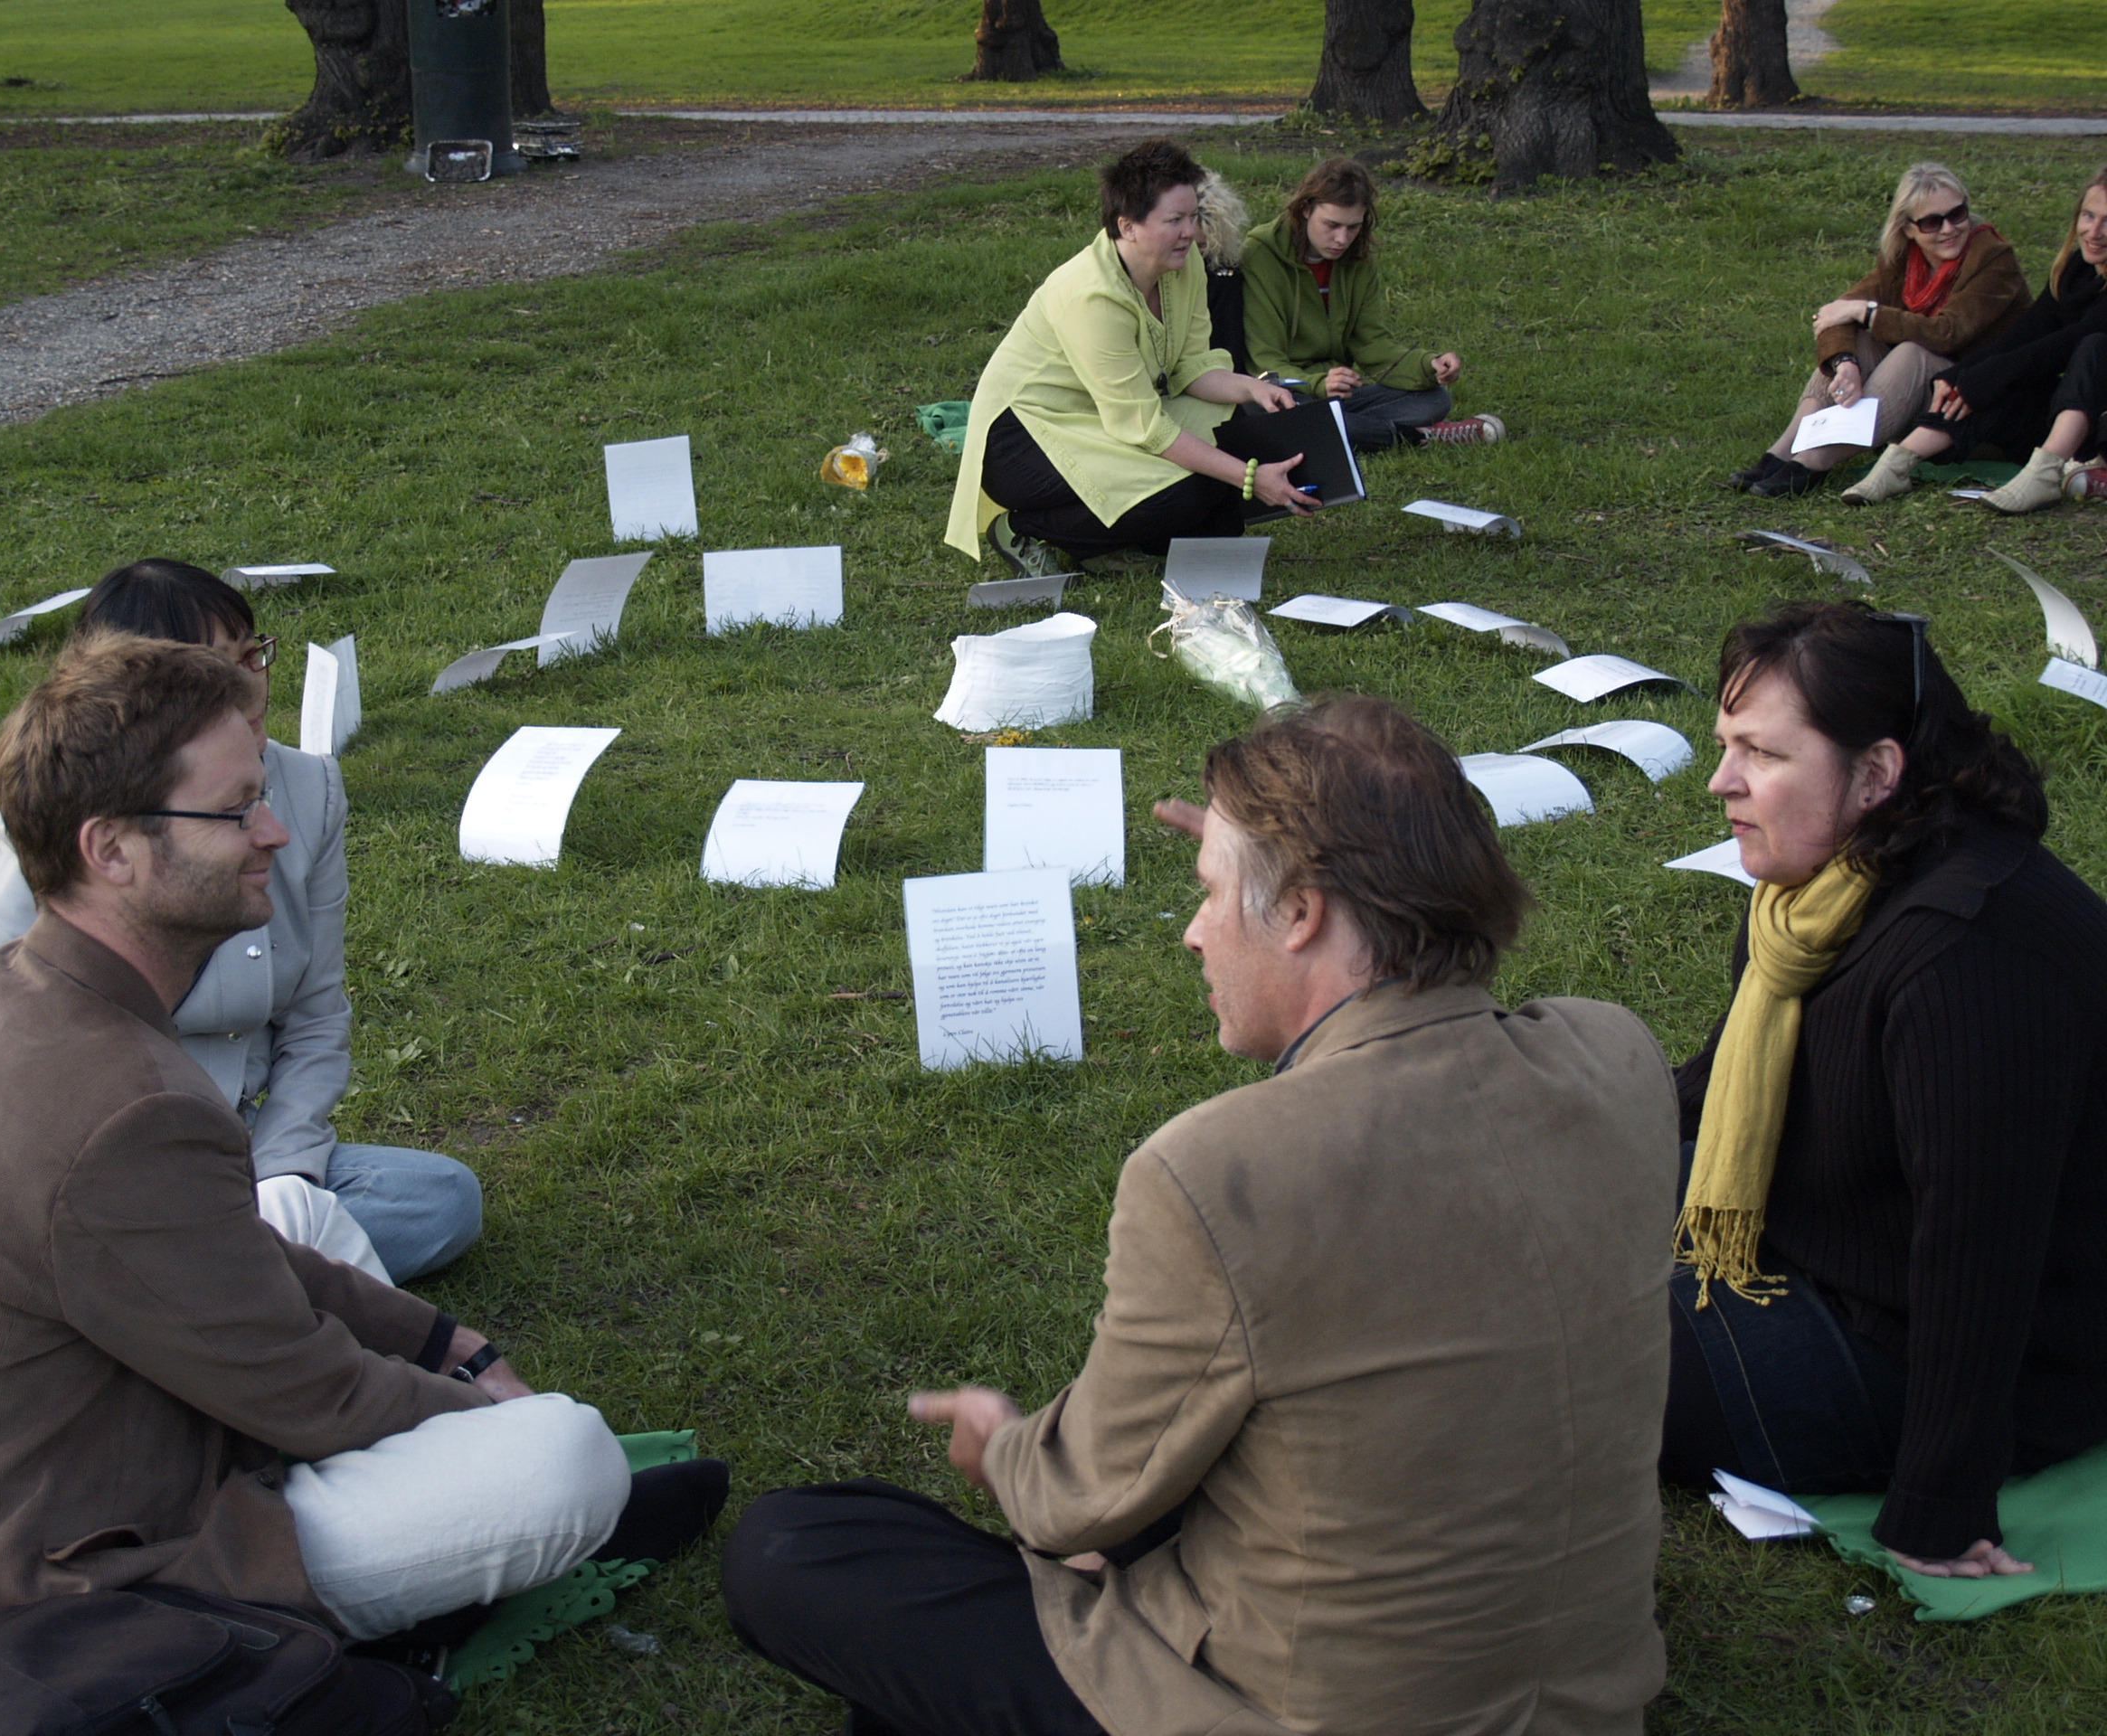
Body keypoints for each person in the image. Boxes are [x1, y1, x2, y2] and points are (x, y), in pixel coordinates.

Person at [723, 696, 1679, 1736]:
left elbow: (1078, 1500)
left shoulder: (1220, 1168)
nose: (1191, 932)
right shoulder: (1615, 1058)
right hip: (1585, 1701)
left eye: (1210, 892)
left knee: (796, 1546)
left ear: (1301, 911)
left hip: (1305, 1708)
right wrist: (1265, 840)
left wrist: (1003, 1447)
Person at [0, 635, 725, 1680]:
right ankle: (411, 1601)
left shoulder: (14, 993)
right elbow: (313, 1394)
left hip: (4, 1507)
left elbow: (242, 1255)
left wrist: (450, 1341)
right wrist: (474, 1417)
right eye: (234, 810)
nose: (272, 830)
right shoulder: (123, 1106)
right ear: (111, 850)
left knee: (298, 1210)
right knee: (563, 1460)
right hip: (33, 1604)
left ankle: (432, 1540)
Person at [1665, 600, 2107, 1580]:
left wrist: (1939, 1503)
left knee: (1560, 1343)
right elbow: (1719, 1086)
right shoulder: (1817, 895)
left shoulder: (1965, 957)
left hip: (1943, 1357)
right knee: (1537, 1218)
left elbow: (1978, 1251)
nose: (1721, 781)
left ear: (1876, 773)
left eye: (1761, 754)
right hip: (1830, 1248)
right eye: (1726, 746)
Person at [0, 560, 481, 1284]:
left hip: (240, 1151)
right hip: (104, 1153)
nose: (252, 686)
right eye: (214, 670)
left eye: (251, 656)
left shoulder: (311, 789)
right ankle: (215, 1269)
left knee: (438, 1198)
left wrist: (282, 1177)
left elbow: (317, 1016)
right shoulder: (67, 817)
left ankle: (208, 1266)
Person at [945, 139, 1318, 580]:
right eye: (1174, 220)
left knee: (1227, 447)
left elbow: (1190, 367)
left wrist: (1252, 388)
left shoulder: (1184, 265)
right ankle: (1024, 529)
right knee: (1185, 493)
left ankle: (1103, 542)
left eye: (1192, 217)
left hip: (1105, 414)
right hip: (1023, 437)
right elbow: (1145, 427)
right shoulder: (1091, 296)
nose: (1190, 232)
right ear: (1128, 227)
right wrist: (1249, 478)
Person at [1731, 162, 2029, 498]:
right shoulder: (1903, 259)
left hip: (1980, 406)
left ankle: (1815, 460)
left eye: (1958, 214)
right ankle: (1783, 452)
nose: (1949, 229)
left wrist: (1867, 312)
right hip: (1934, 397)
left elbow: (1947, 333)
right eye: (1932, 222)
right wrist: (1845, 363)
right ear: (1908, 228)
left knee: (1913, 352)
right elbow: (1836, 315)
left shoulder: (1992, 259)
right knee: (1859, 342)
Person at [1844, 165, 2107, 513]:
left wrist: (1986, 376)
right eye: (2088, 216)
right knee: (1987, 382)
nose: (2094, 232)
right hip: (2077, 411)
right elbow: (2027, 332)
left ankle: (2045, 474)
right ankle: (1898, 463)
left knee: (2093, 347)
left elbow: (2063, 346)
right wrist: (1962, 375)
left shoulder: (1994, 256)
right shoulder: (2076, 269)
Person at [1240, 156, 1503, 450]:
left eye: (1353, 227)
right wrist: (1318, 384)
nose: (1342, 239)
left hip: (1338, 394)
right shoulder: (1260, 255)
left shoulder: (1357, 259)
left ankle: (1347, 429)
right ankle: (1419, 437)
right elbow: (1266, 363)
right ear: (1305, 209)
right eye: (1331, 225)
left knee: (1434, 398)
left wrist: (1429, 365)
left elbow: (1372, 344)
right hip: (1285, 391)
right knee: (1268, 409)